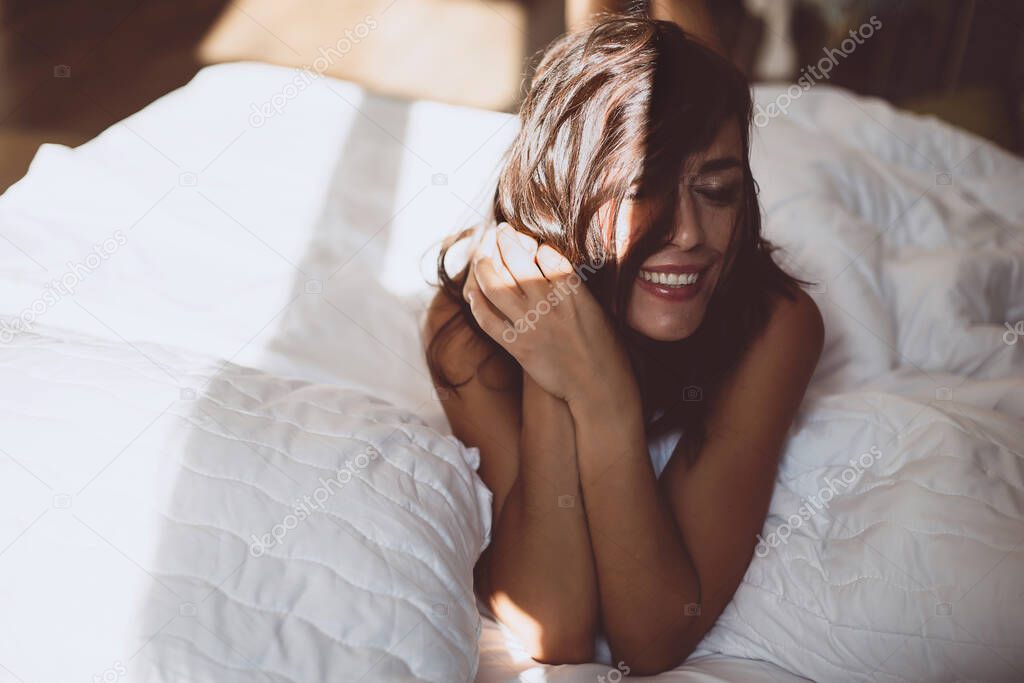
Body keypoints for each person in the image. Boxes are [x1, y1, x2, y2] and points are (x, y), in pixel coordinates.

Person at [421, 8, 823, 676]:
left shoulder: (777, 323)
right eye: (644, 189)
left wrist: (602, 391)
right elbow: (554, 623)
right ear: (562, 199)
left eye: (718, 190)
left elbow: (657, 635)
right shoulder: (466, 326)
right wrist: (554, 353)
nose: (690, 232)